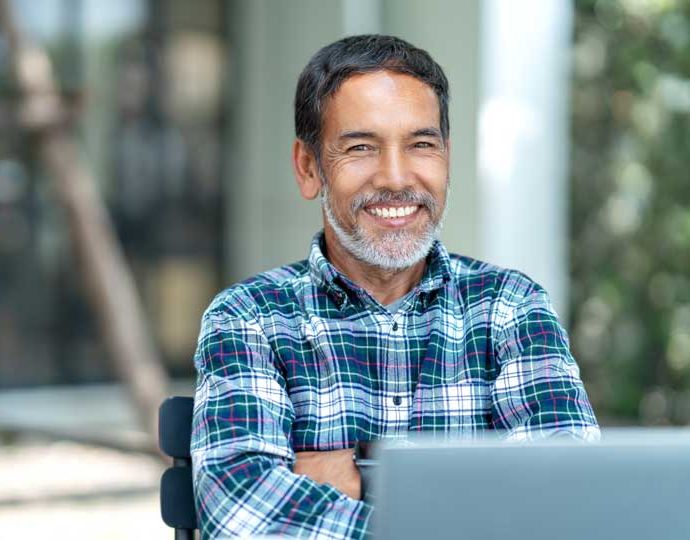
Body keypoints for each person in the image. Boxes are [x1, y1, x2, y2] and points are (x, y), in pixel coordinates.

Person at [190, 34, 599, 539]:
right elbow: (244, 514)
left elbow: (568, 504)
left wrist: (361, 474)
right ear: (309, 167)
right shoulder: (248, 318)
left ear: (446, 158)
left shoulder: (511, 308)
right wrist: (467, 508)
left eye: (421, 145)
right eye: (361, 147)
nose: (396, 177)